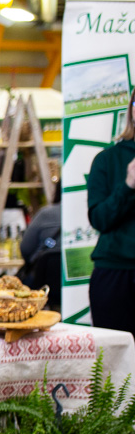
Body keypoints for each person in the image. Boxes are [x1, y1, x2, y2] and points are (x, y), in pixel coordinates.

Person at [86, 93, 135, 335]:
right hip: (115, 274)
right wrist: (128, 185)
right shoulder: (106, 160)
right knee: (114, 355)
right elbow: (99, 219)